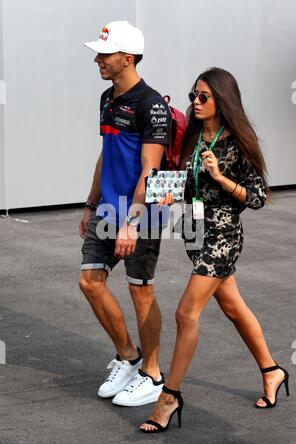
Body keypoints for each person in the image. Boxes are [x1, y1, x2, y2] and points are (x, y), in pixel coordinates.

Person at [140, 67, 290, 432]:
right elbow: (186, 181)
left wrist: (222, 176)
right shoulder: (192, 137)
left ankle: (170, 396)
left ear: (222, 101)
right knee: (233, 307)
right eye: (193, 95)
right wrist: (170, 193)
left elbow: (256, 197)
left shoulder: (237, 142)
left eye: (203, 97)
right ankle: (273, 371)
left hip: (222, 234)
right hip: (192, 228)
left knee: (185, 313)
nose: (196, 102)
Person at [79, 20, 171, 407]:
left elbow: (150, 172)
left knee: (140, 291)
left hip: (140, 214)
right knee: (90, 282)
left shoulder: (151, 105)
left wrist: (131, 225)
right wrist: (90, 201)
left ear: (127, 58)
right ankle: (129, 357)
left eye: (106, 54)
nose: (98, 60)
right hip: (105, 208)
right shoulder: (107, 98)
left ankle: (153, 374)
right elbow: (107, 152)